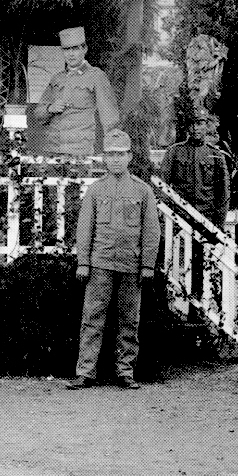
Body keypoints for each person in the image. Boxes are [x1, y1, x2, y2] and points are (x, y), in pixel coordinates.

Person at [68, 128, 161, 389]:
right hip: (100, 264)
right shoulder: (95, 191)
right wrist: (83, 262)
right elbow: (84, 228)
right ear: (104, 159)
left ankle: (125, 372)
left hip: (131, 265)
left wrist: (147, 265)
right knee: (92, 317)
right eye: (111, 155)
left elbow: (151, 230)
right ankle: (85, 372)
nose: (116, 160)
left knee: (129, 319)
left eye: (121, 154)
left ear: (129, 157)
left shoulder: (143, 191)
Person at [160, 111, 230, 299]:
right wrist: (168, 216)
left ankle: (198, 305)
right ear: (187, 127)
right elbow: (163, 187)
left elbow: (223, 194)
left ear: (207, 126)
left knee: (201, 266)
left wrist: (218, 226)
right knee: (171, 261)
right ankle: (170, 304)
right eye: (192, 124)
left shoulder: (216, 156)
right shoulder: (174, 152)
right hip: (180, 219)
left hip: (204, 221)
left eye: (200, 123)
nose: (196, 128)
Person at [35, 26, 120, 157]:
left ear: (84, 49)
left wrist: (113, 150)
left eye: (75, 49)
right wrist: (50, 108)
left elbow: (109, 116)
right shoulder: (57, 78)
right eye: (66, 50)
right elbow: (38, 115)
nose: (70, 54)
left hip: (80, 152)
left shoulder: (96, 76)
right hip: (52, 150)